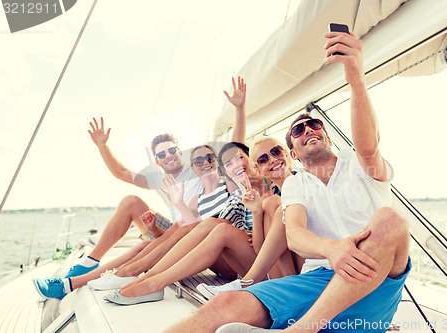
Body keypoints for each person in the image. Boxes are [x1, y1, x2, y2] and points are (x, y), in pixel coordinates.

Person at [164, 30, 410, 333]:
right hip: (316, 280)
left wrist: (356, 78)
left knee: (390, 219)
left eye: (314, 124)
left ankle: (300, 329)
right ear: (294, 151)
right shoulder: (297, 184)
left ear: (328, 136)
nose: (308, 129)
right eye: (298, 130)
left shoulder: (359, 164)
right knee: (221, 308)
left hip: (372, 279)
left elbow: (368, 145)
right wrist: (333, 249)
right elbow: (294, 236)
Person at [32, 77, 248, 299]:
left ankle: (94, 280)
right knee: (132, 203)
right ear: (157, 161)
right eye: (162, 154)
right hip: (181, 228)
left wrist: (239, 110)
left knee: (154, 241)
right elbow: (120, 173)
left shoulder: (200, 168)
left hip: (195, 231)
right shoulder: (159, 178)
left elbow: (234, 150)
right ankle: (90, 263)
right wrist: (102, 146)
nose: (169, 156)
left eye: (172, 151)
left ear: (180, 151)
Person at [102, 142, 275, 305]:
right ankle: (144, 278)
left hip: (263, 265)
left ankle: (147, 280)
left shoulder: (263, 192)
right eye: (228, 163)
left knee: (213, 226)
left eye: (239, 158)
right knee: (198, 225)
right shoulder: (239, 196)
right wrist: (176, 206)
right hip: (241, 256)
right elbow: (191, 231)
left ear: (251, 159)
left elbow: (261, 241)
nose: (235, 164)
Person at [196, 137, 304, 299]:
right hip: (284, 270)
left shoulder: (304, 181)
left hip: (308, 259)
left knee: (275, 203)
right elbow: (261, 249)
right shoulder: (267, 200)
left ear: (287, 154)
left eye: (276, 152)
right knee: (269, 204)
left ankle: (248, 282)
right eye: (263, 159)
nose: (273, 160)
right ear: (259, 170)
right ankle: (292, 284)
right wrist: (256, 212)